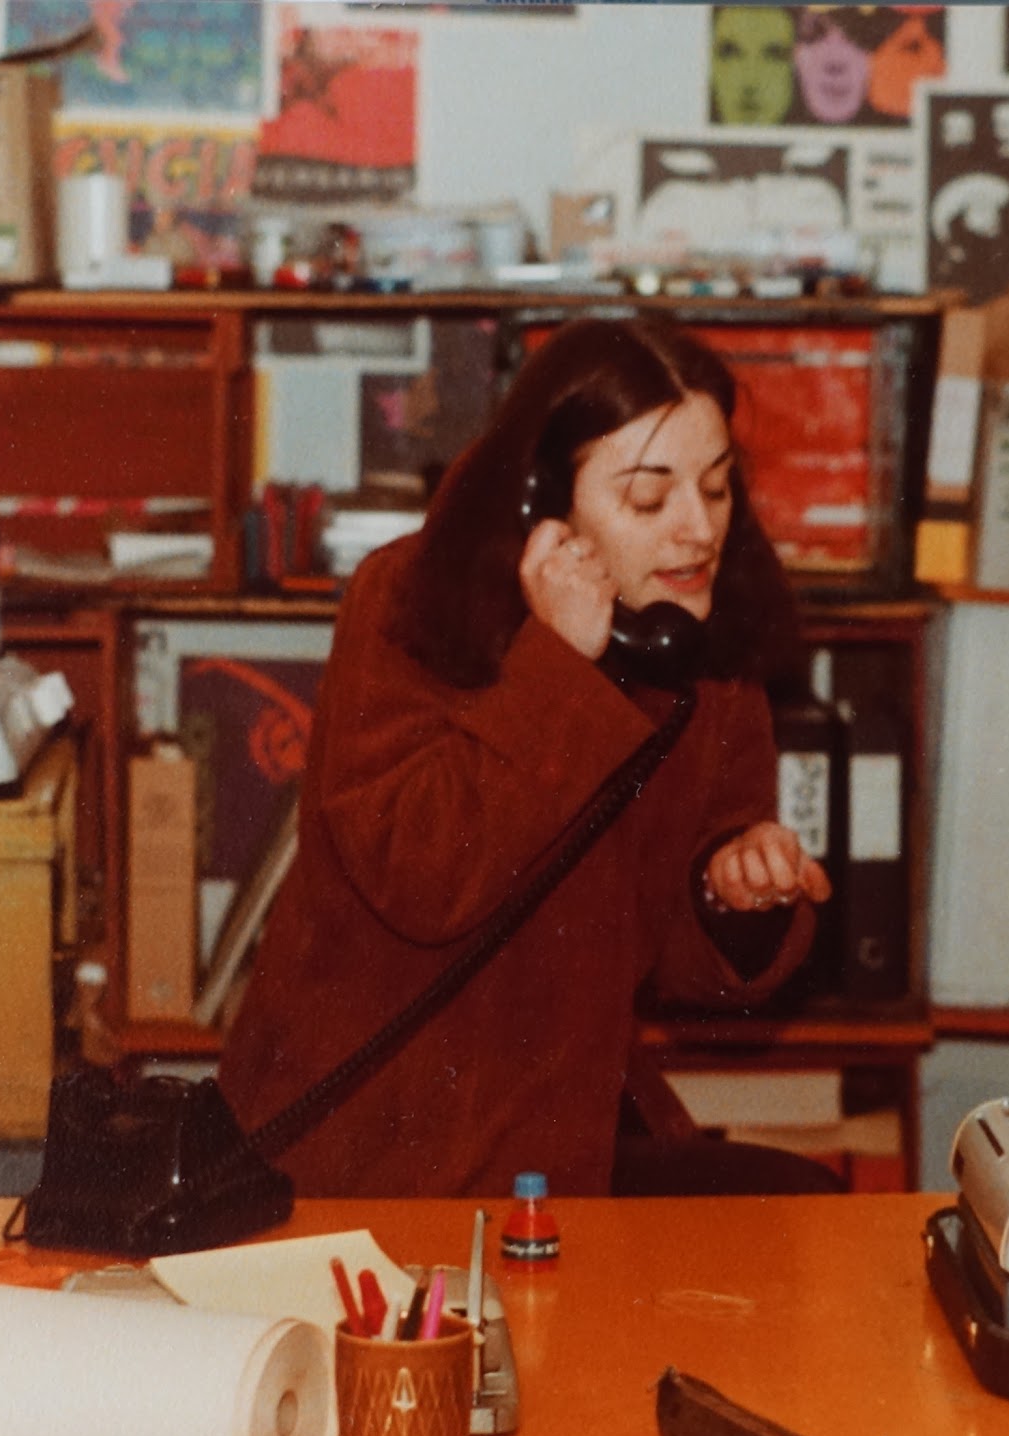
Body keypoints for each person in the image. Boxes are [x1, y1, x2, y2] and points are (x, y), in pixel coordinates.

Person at [217, 318, 840, 1200]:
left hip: (562, 1133)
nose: (700, 530)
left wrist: (733, 894)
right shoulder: (406, 601)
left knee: (798, 1220)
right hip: (376, 1148)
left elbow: (694, 965)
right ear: (545, 508)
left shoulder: (699, 647)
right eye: (650, 500)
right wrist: (558, 667)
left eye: (717, 487)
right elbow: (423, 878)